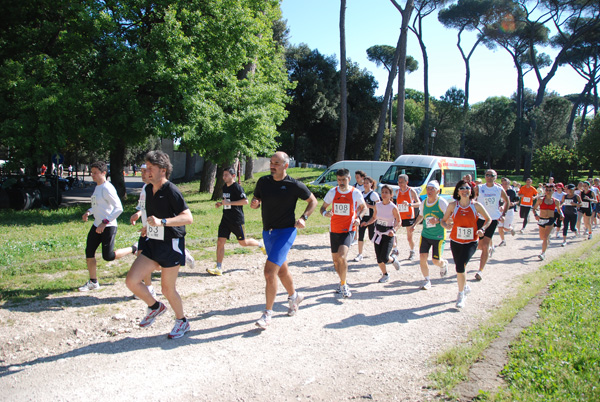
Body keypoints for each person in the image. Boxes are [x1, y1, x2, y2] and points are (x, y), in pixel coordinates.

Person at [125, 151, 194, 339]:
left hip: (171, 243)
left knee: (167, 289)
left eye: (151, 168)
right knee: (131, 280)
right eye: (146, 168)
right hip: (153, 243)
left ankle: (182, 321)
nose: (147, 172)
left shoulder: (171, 190)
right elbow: (152, 215)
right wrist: (148, 227)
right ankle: (155, 306)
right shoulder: (148, 189)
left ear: (162, 170)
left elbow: (188, 218)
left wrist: (162, 222)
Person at [250, 152, 317, 329]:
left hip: (286, 232)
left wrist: (304, 218)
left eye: (276, 163)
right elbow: (257, 198)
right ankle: (294, 296)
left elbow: (313, 201)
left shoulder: (294, 185)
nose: (272, 166)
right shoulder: (263, 181)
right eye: (271, 163)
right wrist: (255, 201)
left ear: (286, 166)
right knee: (281, 270)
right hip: (268, 232)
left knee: (269, 271)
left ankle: (267, 314)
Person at [79, 161, 136, 292]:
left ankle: (133, 248)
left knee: (108, 256)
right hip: (96, 225)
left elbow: (119, 208)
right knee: (89, 251)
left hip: (108, 226)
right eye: (91, 172)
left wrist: (104, 222)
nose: (92, 175)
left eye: (95, 173)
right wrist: (89, 211)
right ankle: (93, 282)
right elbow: (97, 204)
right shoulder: (98, 187)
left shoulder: (107, 188)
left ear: (104, 173)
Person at [441, 180, 491, 309]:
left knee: (460, 266)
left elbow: (488, 219)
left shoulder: (476, 206)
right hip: (455, 241)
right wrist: (447, 226)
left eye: (467, 188)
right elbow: (443, 220)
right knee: (460, 267)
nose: (465, 190)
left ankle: (461, 294)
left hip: (471, 242)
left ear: (471, 191)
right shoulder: (453, 206)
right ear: (458, 191)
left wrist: (482, 229)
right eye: (462, 188)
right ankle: (465, 286)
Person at [208, 167, 265, 276]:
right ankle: (218, 267)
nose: (224, 177)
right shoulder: (224, 187)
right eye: (223, 175)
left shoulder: (237, 188)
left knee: (243, 243)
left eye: (226, 175)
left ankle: (260, 244)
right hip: (225, 219)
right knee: (220, 242)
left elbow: (245, 201)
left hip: (236, 219)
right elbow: (227, 201)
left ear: (233, 176)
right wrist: (221, 203)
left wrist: (228, 203)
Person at [320, 169, 366, 296]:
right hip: (334, 229)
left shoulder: (355, 193)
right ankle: (341, 282)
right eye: (339, 180)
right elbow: (322, 208)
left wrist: (359, 217)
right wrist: (325, 213)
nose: (341, 182)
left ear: (349, 179)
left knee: (342, 256)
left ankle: (344, 284)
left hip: (348, 229)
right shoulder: (332, 192)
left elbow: (364, 208)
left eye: (343, 180)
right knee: (336, 262)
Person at [411, 180, 449, 290]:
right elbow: (421, 216)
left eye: (432, 189)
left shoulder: (441, 202)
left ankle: (443, 264)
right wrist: (414, 224)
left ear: (438, 191)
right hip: (425, 235)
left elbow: (450, 217)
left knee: (436, 261)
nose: (429, 191)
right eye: (428, 188)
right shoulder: (424, 202)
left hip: (438, 236)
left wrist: (438, 220)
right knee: (422, 257)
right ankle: (427, 280)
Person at [473, 169, 510, 281]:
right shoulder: (479, 188)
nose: (489, 177)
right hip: (479, 218)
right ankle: (490, 248)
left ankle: (480, 271)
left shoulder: (499, 189)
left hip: (492, 219)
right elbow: (471, 199)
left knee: (484, 246)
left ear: (495, 177)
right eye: (487, 175)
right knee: (479, 245)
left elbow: (507, 201)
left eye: (491, 175)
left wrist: (504, 213)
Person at [362, 185, 401, 283]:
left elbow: (399, 221)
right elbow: (374, 218)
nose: (384, 194)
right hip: (378, 233)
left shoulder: (393, 207)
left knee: (384, 257)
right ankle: (385, 275)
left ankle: (393, 260)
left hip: (388, 234)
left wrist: (394, 230)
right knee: (379, 258)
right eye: (382, 192)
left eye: (386, 192)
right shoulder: (377, 205)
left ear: (391, 195)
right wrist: (366, 223)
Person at [129, 164, 156, 298]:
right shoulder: (145, 188)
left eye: (145, 171)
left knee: (159, 262)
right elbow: (143, 207)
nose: (142, 174)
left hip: (156, 230)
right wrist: (138, 214)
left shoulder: (157, 189)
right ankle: (148, 287)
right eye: (141, 171)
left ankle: (182, 254)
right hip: (146, 230)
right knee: (142, 257)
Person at [393, 174, 421, 260]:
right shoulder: (397, 191)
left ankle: (412, 251)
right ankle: (395, 250)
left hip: (409, 216)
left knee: (409, 237)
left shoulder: (411, 191)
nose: (400, 184)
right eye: (399, 182)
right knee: (392, 232)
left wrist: (409, 204)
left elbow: (419, 203)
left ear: (406, 182)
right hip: (399, 216)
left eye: (402, 182)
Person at [533, 184, 563, 260]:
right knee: (542, 237)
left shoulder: (556, 201)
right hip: (542, 219)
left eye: (550, 190)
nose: (548, 192)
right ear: (545, 191)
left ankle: (543, 253)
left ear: (553, 191)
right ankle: (547, 239)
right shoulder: (540, 200)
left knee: (545, 237)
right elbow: (534, 208)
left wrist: (561, 214)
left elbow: (559, 210)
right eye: (547, 190)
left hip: (550, 220)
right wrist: (536, 215)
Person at [354, 176, 380, 262]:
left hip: (372, 218)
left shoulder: (374, 194)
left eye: (367, 183)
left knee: (371, 236)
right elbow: (359, 205)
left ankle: (379, 251)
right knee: (360, 235)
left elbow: (379, 206)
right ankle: (360, 254)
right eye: (364, 183)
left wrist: (370, 206)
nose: (365, 184)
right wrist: (356, 211)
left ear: (371, 184)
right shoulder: (361, 194)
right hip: (362, 217)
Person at [497, 177, 518, 246]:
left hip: (509, 211)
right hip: (500, 211)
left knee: (506, 228)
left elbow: (517, 200)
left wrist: (514, 203)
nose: (505, 185)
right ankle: (503, 241)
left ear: (509, 184)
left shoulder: (512, 192)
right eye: (503, 184)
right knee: (500, 227)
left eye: (506, 184)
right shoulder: (498, 191)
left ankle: (511, 228)